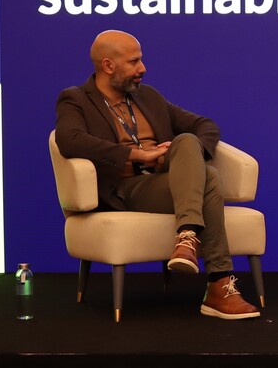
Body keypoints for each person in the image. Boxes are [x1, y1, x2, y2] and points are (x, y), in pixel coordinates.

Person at [54, 30, 259, 320]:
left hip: (165, 180)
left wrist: (186, 158)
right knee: (210, 179)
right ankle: (218, 284)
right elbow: (69, 139)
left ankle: (187, 240)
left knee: (188, 141)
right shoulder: (76, 99)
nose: (143, 68)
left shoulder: (147, 96)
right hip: (124, 187)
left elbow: (205, 125)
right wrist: (138, 154)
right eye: (134, 62)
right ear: (108, 65)